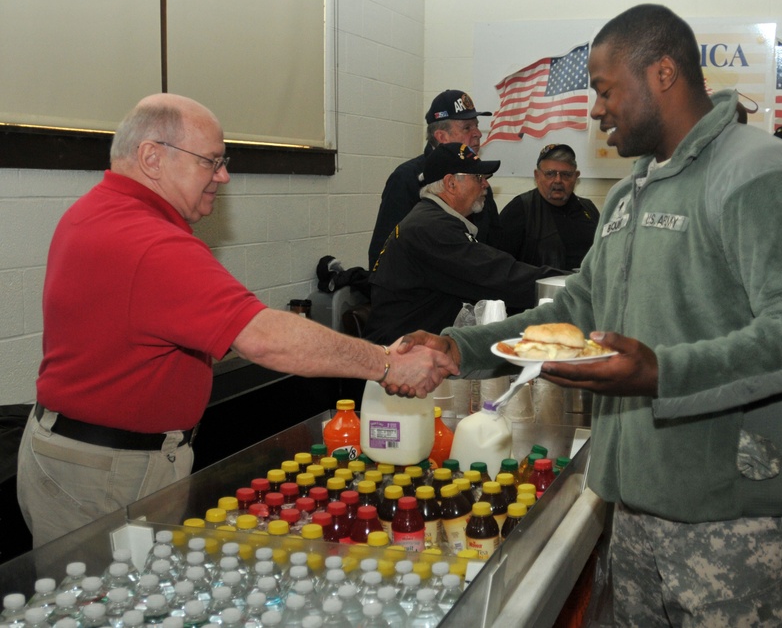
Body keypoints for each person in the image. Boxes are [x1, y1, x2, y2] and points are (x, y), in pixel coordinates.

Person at [392, 5, 782, 626]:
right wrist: (462, 348)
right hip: (634, 503)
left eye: (605, 89)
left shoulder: (760, 172)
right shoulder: (631, 192)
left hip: (733, 518)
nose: (595, 108)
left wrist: (663, 372)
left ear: (663, 72)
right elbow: (581, 307)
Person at [17, 93, 456, 548]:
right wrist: (387, 363)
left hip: (96, 455)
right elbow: (264, 339)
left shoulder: (102, 212)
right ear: (151, 157)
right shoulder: (146, 241)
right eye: (211, 161)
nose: (223, 176)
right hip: (105, 470)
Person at [364, 142, 563, 345]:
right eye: (478, 178)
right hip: (401, 356)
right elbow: (499, 276)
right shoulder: (432, 228)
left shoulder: (433, 220)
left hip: (417, 346)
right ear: (451, 183)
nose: (486, 184)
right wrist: (572, 284)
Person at [367, 89, 502, 268]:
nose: (478, 133)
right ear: (441, 137)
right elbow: (383, 253)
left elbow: (495, 246)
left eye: (476, 125)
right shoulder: (406, 178)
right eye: (467, 127)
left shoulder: (479, 181)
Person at [497, 144, 599, 271]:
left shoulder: (588, 208)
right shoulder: (520, 209)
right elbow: (500, 265)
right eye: (550, 174)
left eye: (566, 174)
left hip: (586, 289)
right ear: (537, 175)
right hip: (539, 289)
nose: (558, 180)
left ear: (576, 176)